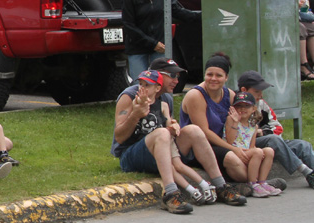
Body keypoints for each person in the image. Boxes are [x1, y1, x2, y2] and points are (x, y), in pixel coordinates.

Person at [112, 70, 222, 213]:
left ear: (157, 87)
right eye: (140, 84)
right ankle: (171, 193)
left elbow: (167, 125)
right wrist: (136, 114)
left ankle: (220, 185)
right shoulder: (130, 98)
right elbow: (119, 137)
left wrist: (174, 126)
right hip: (131, 154)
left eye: (147, 85)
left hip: (160, 148)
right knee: (162, 135)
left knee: (193, 130)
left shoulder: (165, 101)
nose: (175, 80)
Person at [179, 52, 261, 191]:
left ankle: (256, 184)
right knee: (233, 159)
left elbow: (241, 122)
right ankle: (251, 185)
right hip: (200, 147)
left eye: (218, 75)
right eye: (209, 74)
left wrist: (253, 132)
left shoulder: (230, 95)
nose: (213, 79)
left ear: (226, 77)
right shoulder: (196, 95)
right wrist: (234, 149)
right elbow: (204, 131)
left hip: (225, 142)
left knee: (263, 151)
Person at [121, 0, 200, 80]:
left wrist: (201, 15)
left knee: (161, 83)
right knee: (140, 84)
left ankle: (162, 101)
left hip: (160, 46)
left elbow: (176, 11)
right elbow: (129, 24)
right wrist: (153, 44)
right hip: (138, 47)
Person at [236, 69, 314, 185]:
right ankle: (305, 171)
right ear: (244, 90)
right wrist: (254, 132)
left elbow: (277, 127)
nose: (261, 95)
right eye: (257, 91)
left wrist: (263, 132)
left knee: (303, 145)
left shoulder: (262, 104)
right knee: (273, 139)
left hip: (269, 140)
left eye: (261, 91)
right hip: (248, 144)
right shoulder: (236, 106)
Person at [228, 92, 278, 197]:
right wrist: (235, 123)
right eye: (239, 106)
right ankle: (252, 184)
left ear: (254, 108)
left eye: (247, 106)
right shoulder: (231, 120)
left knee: (269, 151)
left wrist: (256, 152)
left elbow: (252, 146)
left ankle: (262, 182)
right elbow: (230, 141)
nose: (242, 109)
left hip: (247, 153)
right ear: (233, 108)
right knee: (257, 152)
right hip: (235, 152)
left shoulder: (253, 126)